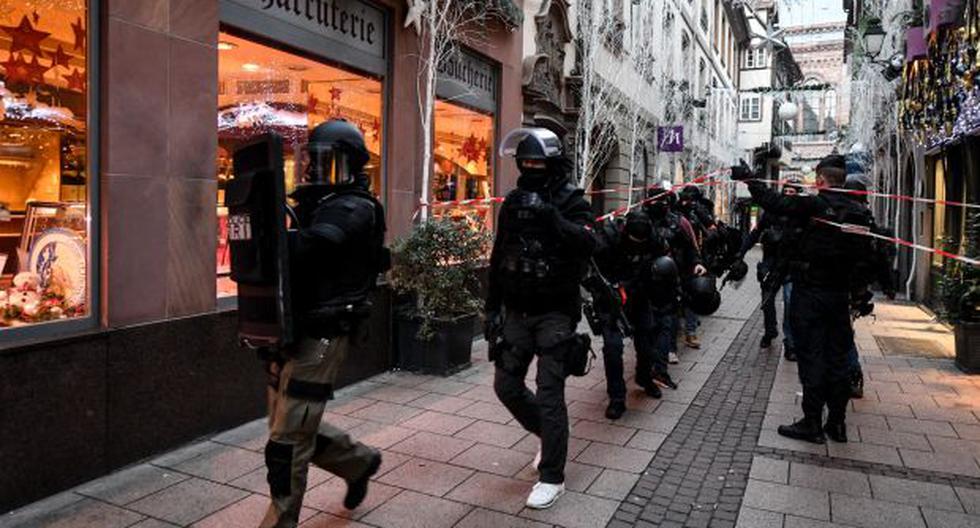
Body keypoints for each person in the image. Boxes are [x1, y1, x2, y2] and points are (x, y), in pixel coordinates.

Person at [260, 120, 389, 528]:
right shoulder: (313, 203)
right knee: (288, 424)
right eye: (312, 160)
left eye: (326, 161)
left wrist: (271, 231)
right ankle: (359, 462)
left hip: (324, 333)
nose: (316, 169)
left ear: (350, 164)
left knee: (286, 441)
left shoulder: (356, 206)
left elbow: (321, 242)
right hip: (290, 329)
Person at [485, 128, 596, 509]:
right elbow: (499, 256)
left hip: (555, 312)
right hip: (517, 309)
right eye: (525, 163)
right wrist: (491, 310)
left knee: (550, 393)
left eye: (538, 163)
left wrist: (552, 218)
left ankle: (553, 475)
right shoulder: (514, 201)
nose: (531, 169)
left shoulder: (572, 200)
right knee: (506, 386)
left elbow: (587, 242)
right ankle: (548, 436)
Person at [733, 154, 874, 445]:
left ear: (821, 179)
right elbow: (868, 257)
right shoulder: (858, 212)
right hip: (840, 297)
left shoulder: (815, 204)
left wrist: (749, 178)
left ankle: (812, 422)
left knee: (811, 357)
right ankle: (837, 423)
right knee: (837, 360)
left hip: (810, 293)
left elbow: (774, 202)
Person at [590, 211, 674, 419]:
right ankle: (617, 398)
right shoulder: (608, 239)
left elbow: (662, 265)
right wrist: (608, 290)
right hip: (612, 300)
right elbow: (593, 272)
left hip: (639, 295)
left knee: (646, 344)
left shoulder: (653, 240)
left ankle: (644, 378)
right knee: (613, 347)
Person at [738, 177, 806, 359]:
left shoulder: (801, 215)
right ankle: (770, 331)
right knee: (767, 302)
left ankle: (790, 343)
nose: (789, 195)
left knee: (791, 304)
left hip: (791, 266)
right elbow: (755, 233)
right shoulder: (770, 213)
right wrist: (740, 253)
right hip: (771, 263)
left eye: (793, 192)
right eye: (786, 191)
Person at [644, 184, 707, 363]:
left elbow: (690, 248)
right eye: (655, 200)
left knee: (669, 317)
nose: (659, 204)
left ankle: (670, 349)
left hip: (674, 277)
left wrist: (697, 263)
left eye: (662, 200)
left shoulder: (679, 222)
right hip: (647, 278)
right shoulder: (640, 220)